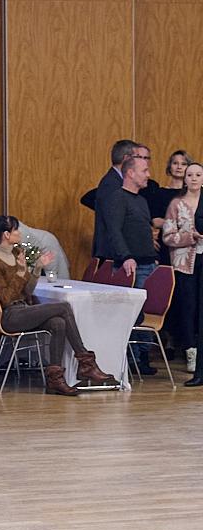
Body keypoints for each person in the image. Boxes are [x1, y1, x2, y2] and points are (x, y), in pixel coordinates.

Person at [0, 215, 115, 396]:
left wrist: (36, 268)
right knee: (63, 307)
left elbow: (27, 291)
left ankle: (55, 381)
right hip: (9, 315)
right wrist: (21, 271)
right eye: (16, 230)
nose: (19, 233)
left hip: (23, 308)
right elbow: (6, 298)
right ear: (6, 235)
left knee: (58, 323)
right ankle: (86, 363)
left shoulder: (16, 253)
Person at [99, 154, 157, 372]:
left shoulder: (141, 200)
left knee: (146, 311)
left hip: (148, 263)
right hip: (132, 265)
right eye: (144, 171)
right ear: (130, 173)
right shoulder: (117, 198)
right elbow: (114, 231)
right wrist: (125, 256)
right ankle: (134, 358)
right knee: (133, 314)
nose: (148, 175)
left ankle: (143, 356)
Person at [162, 162, 203, 372]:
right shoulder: (176, 204)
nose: (194, 178)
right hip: (185, 264)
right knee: (188, 306)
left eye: (198, 175)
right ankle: (190, 351)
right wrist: (190, 237)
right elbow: (167, 236)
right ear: (184, 179)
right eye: (190, 175)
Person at [0, 201, 70, 278]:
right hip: (28, 258)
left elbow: (32, 251)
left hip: (44, 247)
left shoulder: (13, 229)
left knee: (54, 280)